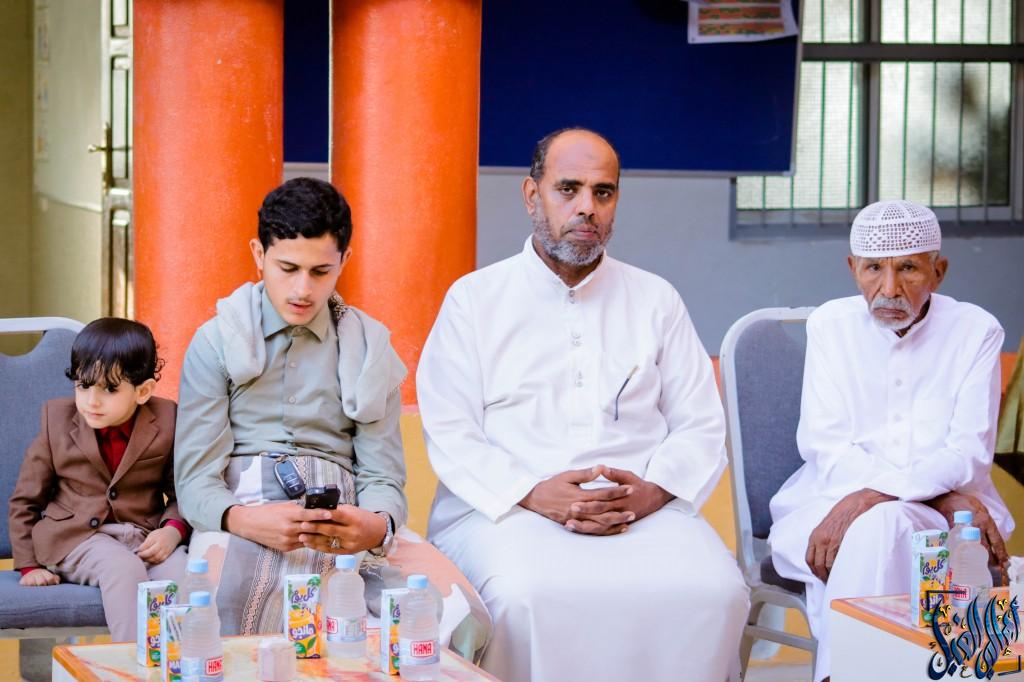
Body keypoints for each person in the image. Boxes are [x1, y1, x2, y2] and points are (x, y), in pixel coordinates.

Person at [416, 128, 749, 682]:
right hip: (507, 512)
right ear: (532, 195)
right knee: (525, 596)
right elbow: (451, 429)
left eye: (603, 192)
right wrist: (533, 492)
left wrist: (650, 492)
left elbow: (700, 423)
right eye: (568, 189)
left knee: (716, 592)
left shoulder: (656, 299)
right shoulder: (475, 300)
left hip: (640, 511)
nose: (586, 207)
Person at [173, 177, 489, 658]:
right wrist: (244, 520)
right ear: (258, 255)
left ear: (345, 260)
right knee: (218, 617)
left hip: (346, 519)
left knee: (462, 617)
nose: (303, 289)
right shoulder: (215, 341)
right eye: (287, 268)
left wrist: (376, 526)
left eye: (321, 271)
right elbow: (195, 479)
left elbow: (383, 475)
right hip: (241, 518)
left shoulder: (369, 348)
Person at [768, 199, 1014, 682]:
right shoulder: (830, 327)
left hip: (946, 519)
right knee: (881, 526)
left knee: (880, 523)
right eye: (873, 269)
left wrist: (872, 496)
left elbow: (967, 454)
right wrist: (934, 493)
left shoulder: (977, 331)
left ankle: (842, 673)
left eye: (908, 269)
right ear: (852, 268)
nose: (889, 288)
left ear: (939, 272)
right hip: (834, 502)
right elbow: (827, 446)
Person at [9, 318, 188, 642]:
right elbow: (26, 500)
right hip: (77, 538)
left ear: (143, 391)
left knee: (180, 573)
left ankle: (177, 662)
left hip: (144, 535)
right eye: (83, 385)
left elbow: (183, 491)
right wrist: (28, 565)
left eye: (109, 389)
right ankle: (130, 664)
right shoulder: (56, 421)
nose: (92, 400)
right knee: (122, 568)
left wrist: (172, 531)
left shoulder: (166, 419)